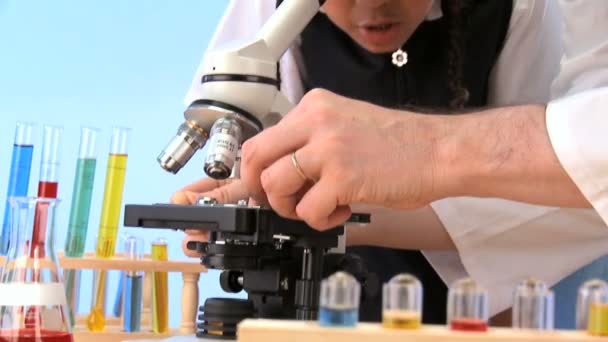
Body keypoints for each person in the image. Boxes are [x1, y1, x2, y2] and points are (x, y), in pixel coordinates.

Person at [173, 0, 608, 327]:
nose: (373, 6)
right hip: (319, 300)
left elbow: (559, 187)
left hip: (475, 307)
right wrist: (269, 203)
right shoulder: (268, 10)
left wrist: (422, 148)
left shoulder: (519, 10)